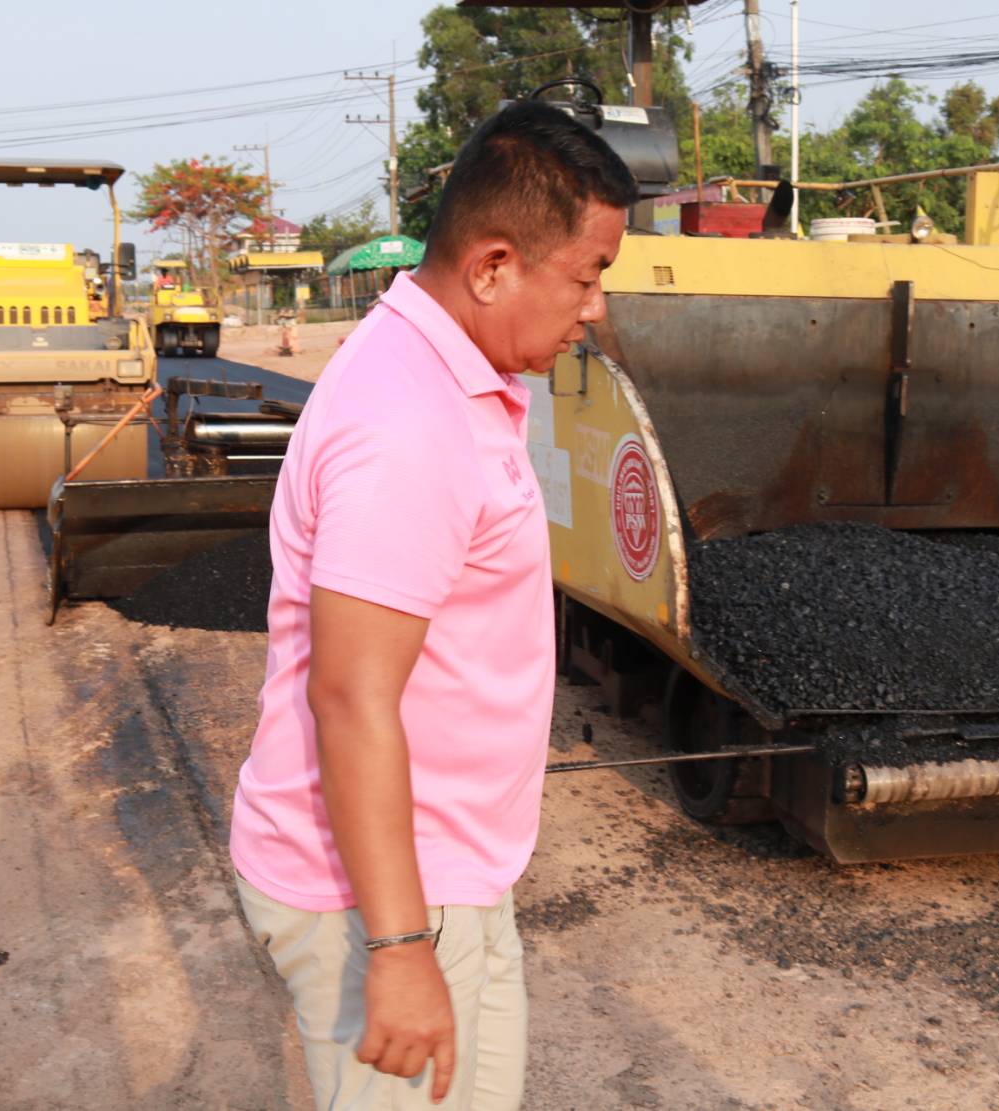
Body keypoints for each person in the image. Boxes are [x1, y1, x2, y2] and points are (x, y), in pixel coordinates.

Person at [230, 100, 637, 1110]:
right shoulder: (408, 424)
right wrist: (402, 944)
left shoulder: (450, 372)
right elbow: (351, 698)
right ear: (492, 266)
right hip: (379, 890)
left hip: (440, 868)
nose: (594, 309)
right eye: (586, 276)